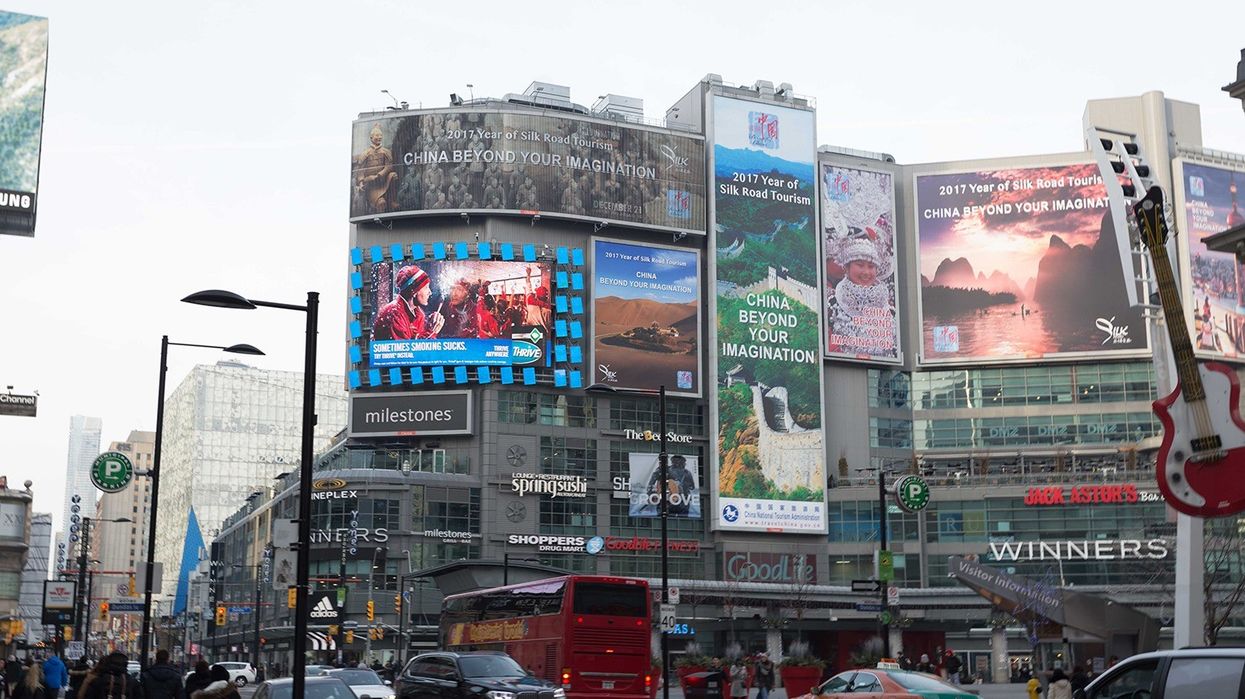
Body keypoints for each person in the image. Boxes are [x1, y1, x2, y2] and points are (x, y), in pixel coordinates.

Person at [373, 265, 444, 341]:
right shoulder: (394, 315)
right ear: (414, 291)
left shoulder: (419, 314)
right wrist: (431, 332)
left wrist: (430, 326)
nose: (430, 292)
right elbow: (406, 351)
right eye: (426, 287)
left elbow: (416, 343)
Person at [353, 124, 399, 214]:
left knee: (393, 175)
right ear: (371, 137)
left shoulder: (386, 152)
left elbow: (389, 166)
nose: (379, 137)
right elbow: (361, 171)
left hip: (383, 181)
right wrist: (362, 182)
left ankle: (392, 200)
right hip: (371, 186)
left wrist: (380, 174)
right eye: (377, 135)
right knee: (381, 203)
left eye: (381, 135)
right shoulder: (366, 153)